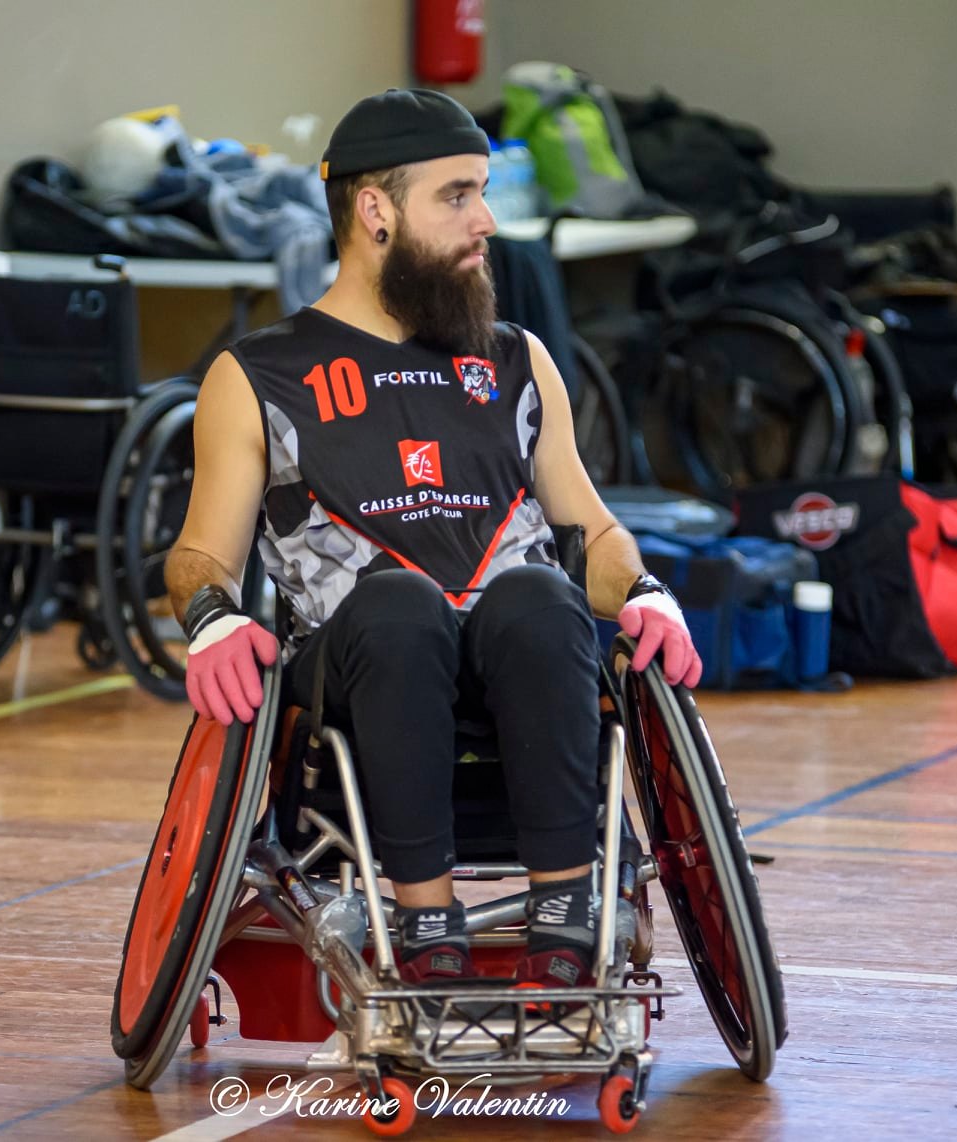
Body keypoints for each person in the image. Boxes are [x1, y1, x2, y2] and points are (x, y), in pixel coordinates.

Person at [165, 89, 700, 992]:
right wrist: (212, 617)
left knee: (540, 596)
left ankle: (569, 911)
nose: (486, 220)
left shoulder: (517, 361)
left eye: (483, 192)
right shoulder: (257, 375)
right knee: (401, 606)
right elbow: (198, 557)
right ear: (375, 210)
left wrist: (643, 589)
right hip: (356, 672)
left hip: (520, 661)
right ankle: (422, 914)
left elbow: (593, 531)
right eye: (457, 195)